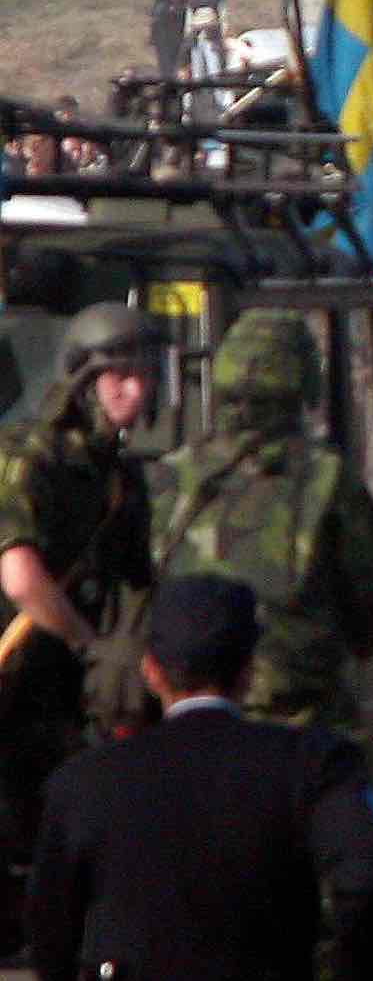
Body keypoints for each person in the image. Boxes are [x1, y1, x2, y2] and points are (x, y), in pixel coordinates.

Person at [28, 574, 373, 981]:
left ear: (151, 671)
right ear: (249, 672)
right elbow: (367, 878)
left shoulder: (83, 783)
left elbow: (49, 925)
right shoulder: (315, 764)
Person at [146, 310, 373, 731]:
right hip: (301, 726)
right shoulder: (326, 477)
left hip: (186, 719)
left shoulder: (171, 475)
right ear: (302, 383)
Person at [0, 306, 158, 943]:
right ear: (83, 380)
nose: (136, 389)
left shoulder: (120, 477)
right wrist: (89, 644)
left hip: (61, 690)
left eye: (144, 374)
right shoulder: (26, 457)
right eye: (117, 375)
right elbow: (20, 578)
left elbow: (139, 582)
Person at [185, 0, 228, 88]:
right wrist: (189, 38)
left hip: (212, 40)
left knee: (215, 72)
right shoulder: (192, 2)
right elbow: (188, 23)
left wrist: (221, 39)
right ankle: (197, 101)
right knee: (197, 74)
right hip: (196, 41)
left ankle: (222, 103)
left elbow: (223, 20)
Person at [147, 0, 189, 78]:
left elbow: (186, 14)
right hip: (163, 39)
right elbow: (155, 15)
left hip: (178, 38)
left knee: (178, 65)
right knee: (164, 66)